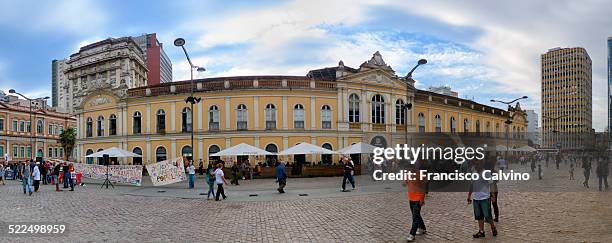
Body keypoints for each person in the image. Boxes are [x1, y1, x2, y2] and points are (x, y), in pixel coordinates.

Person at [467, 160, 497, 238]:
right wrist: (469, 195)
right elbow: (471, 185)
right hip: (476, 198)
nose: (476, 166)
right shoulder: (473, 173)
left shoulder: (486, 173)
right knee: (479, 216)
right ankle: (481, 231)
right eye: (475, 164)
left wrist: (493, 195)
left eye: (477, 164)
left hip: (485, 198)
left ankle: (493, 227)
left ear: (481, 164)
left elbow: (491, 184)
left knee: (487, 215)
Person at [405, 164, 426, 242]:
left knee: (415, 217)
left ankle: (412, 234)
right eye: (408, 168)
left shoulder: (420, 175)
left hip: (418, 198)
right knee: (416, 215)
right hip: (411, 198)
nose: (409, 169)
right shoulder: (408, 174)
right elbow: (406, 183)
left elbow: (423, 188)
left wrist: (422, 199)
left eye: (411, 167)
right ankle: (423, 228)